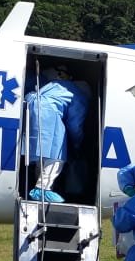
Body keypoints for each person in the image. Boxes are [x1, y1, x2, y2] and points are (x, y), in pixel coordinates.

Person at [25, 65, 90, 202]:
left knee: (42, 154)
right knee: (57, 155)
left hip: (30, 108)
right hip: (48, 112)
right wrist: (77, 144)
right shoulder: (77, 94)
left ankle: (40, 186)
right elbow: (75, 124)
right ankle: (42, 189)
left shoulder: (52, 85)